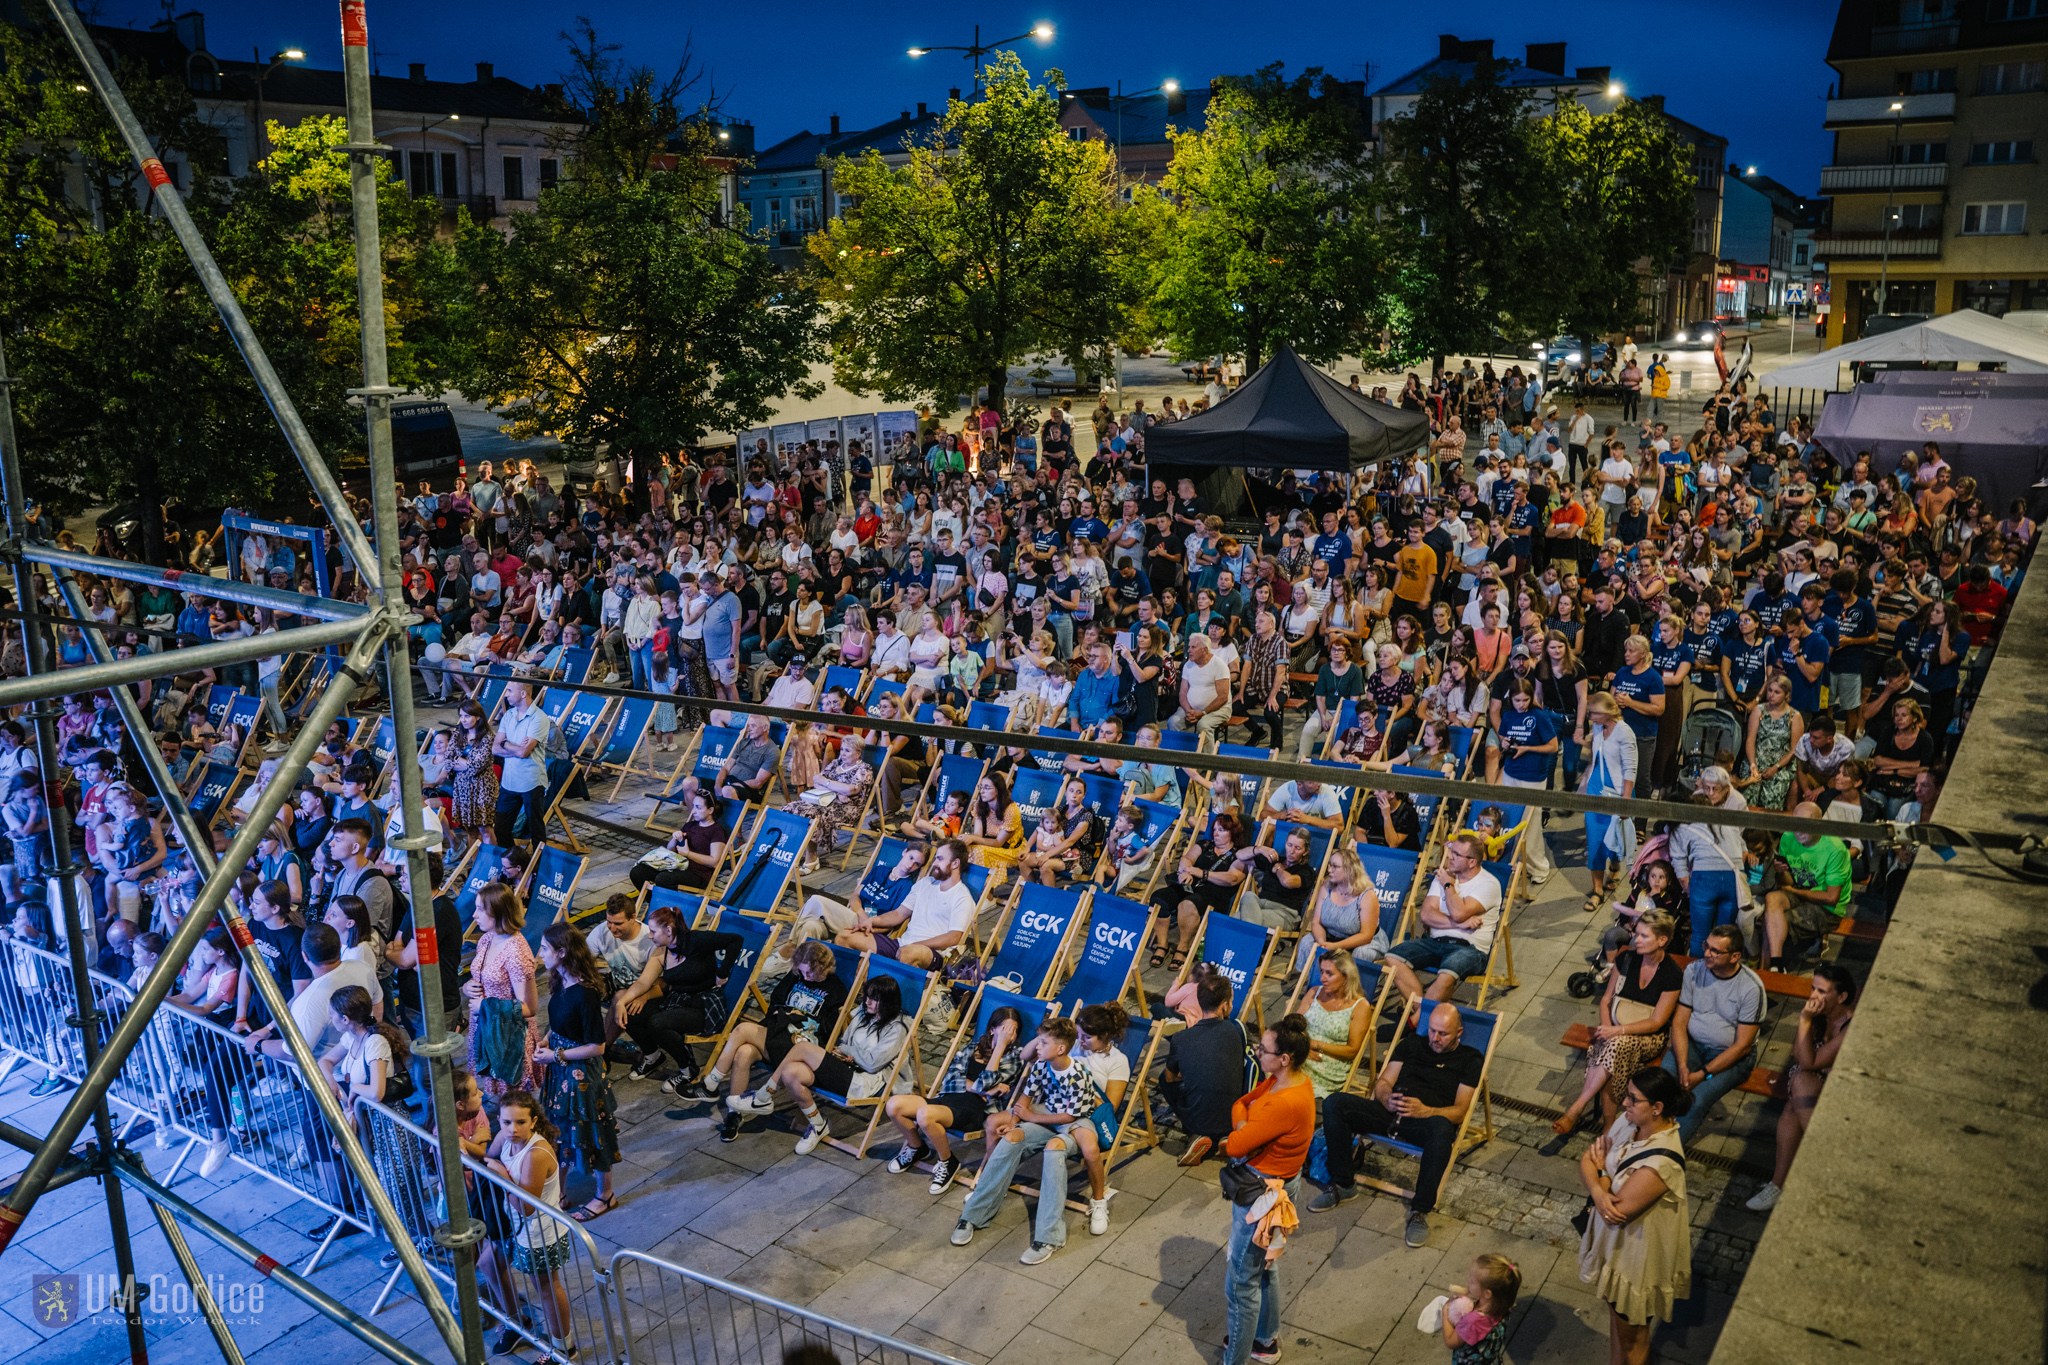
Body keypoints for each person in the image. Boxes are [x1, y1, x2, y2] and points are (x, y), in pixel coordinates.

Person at [1314, 1001, 1482, 1249]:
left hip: (1425, 1123)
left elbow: (1460, 1111)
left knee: (1443, 1132)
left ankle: (1420, 1211)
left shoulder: (1470, 1059)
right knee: (1334, 1104)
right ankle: (1343, 1184)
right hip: (1389, 1113)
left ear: (1459, 1032)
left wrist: (1427, 1112)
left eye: (1443, 1033)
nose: (1435, 1038)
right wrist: (1386, 1098)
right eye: (1432, 1030)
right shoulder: (1413, 1044)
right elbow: (1384, 1082)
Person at [951, 1016, 1101, 1264]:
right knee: (1012, 1137)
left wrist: (1030, 1117)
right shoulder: (1042, 1065)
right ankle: (974, 1214)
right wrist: (1015, 1120)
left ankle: (1049, 1236)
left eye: (1042, 1043)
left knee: (1054, 1150)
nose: (1037, 1047)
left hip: (1073, 1125)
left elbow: (1070, 1116)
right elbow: (1026, 1098)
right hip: (1046, 1116)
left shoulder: (1078, 1074)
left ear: (1060, 1049)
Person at [1577, 1068, 1693, 1365]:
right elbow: (1589, 1158)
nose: (1624, 1103)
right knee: (1618, 1323)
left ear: (1657, 1108)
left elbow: (1618, 1213)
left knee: (1634, 1337)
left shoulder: (1661, 1163)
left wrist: (1601, 1177)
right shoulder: (1628, 1123)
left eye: (1632, 1098)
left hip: (1636, 1258)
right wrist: (1601, 1188)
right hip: (1617, 1248)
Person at [1219, 1015, 1317, 1365]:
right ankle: (1265, 1341)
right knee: (1265, 1266)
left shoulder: (1283, 1101)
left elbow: (1234, 1145)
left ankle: (1236, 1359)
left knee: (1241, 1284)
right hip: (1275, 1187)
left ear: (1284, 1057)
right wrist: (1245, 1127)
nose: (1258, 1053)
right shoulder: (1288, 1082)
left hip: (1261, 1194)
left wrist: (1243, 1130)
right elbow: (1241, 1104)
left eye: (1264, 1049)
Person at [736, 973, 912, 1155]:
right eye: (867, 996)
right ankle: (818, 1125)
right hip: (845, 1068)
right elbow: (845, 1043)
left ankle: (764, 1095)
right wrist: (843, 1052)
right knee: (791, 1072)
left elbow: (873, 1063)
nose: (867, 1002)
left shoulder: (897, 1029)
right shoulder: (863, 1014)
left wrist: (849, 1052)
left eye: (874, 999)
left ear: (888, 1002)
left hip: (865, 1082)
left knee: (803, 1047)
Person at [1548, 913, 1682, 1146]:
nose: (1635, 939)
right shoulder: (1627, 960)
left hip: (1647, 1036)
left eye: (1643, 935)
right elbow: (1606, 1000)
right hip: (1615, 1032)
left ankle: (1578, 1107)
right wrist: (1607, 1026)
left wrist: (1616, 1033)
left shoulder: (1671, 974)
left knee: (1614, 1046)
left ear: (1662, 940)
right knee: (1615, 1053)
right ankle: (1608, 1128)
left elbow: (1657, 1022)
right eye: (1635, 934)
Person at [695, 941, 848, 1142]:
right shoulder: (795, 976)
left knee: (742, 1029)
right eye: (803, 972)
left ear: (824, 968)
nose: (806, 977)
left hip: (800, 1046)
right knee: (744, 1053)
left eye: (811, 973)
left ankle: (711, 1083)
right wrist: (788, 1014)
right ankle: (734, 1114)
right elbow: (775, 1002)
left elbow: (827, 1030)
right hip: (778, 1036)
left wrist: (794, 1015)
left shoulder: (836, 990)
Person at [1746, 964, 1857, 1212]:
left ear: (1842, 997)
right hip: (1811, 1084)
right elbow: (1799, 1055)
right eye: (1813, 988)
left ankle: (1816, 1159)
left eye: (1822, 991)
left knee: (1798, 1088)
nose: (1814, 996)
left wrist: (1804, 1020)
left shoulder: (1851, 1024)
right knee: (1793, 1101)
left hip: (1841, 1091)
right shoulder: (1818, 1017)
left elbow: (1810, 1062)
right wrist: (1807, 1022)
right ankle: (1781, 1184)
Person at [883, 1004, 1026, 1194]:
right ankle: (917, 1147)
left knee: (925, 1115)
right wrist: (981, 1089)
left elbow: (985, 1082)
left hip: (974, 1110)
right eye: (1005, 1029)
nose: (1009, 1034)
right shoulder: (972, 1048)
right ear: (992, 1029)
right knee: (894, 1105)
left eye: (1014, 1031)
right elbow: (951, 1078)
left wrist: (999, 1047)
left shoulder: (1014, 1059)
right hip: (948, 1099)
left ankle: (947, 1162)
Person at [615, 906, 743, 1087]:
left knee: (657, 1023)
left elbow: (736, 940)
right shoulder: (662, 951)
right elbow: (643, 983)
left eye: (653, 931)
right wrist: (622, 1001)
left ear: (668, 930)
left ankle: (688, 1069)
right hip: (678, 1000)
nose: (650, 936)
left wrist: (722, 972)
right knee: (631, 1013)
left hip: (704, 1005)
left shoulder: (697, 940)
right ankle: (653, 1056)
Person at [1660, 924, 1766, 1143]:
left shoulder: (1750, 988)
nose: (1707, 953)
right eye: (1707, 946)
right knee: (1660, 1085)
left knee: (1696, 1100)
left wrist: (1702, 1074)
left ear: (1735, 956)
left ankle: (1665, 1156)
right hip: (1693, 1047)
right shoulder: (1693, 971)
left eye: (1715, 951)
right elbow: (1679, 1023)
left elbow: (1743, 1046)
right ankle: (1644, 1142)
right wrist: (1682, 1065)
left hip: (1731, 1058)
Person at [1385, 836, 1503, 1005]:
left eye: (1456, 854)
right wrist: (1460, 924)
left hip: (1470, 949)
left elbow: (1459, 912)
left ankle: (1418, 1021)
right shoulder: (1444, 876)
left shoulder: (1489, 884)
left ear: (1472, 862)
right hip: (1435, 942)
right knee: (1393, 957)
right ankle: (1420, 1013)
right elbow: (1426, 914)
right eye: (1451, 851)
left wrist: (1449, 886)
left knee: (1447, 972)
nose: (1450, 856)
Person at [829, 837, 976, 969]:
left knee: (909, 952)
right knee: (845, 936)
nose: (934, 863)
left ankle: (872, 985)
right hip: (901, 944)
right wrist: (871, 921)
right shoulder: (925, 883)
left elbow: (954, 937)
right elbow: (899, 914)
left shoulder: (962, 898)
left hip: (931, 953)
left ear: (955, 863)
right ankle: (853, 988)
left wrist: (919, 944)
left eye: (940, 859)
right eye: (935, 858)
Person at [1160, 972, 1249, 1165]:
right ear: (1225, 1005)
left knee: (1162, 1079)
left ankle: (1195, 1133)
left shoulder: (1180, 1038)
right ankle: (1226, 1136)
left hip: (1199, 1120)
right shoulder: (1237, 1031)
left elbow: (1169, 1078)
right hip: (1234, 1115)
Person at [1763, 804, 1852, 968]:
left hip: (1827, 908)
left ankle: (1770, 972)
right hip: (1799, 892)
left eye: (1805, 826)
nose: (1799, 832)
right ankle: (1775, 965)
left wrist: (1792, 890)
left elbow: (1831, 898)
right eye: (1796, 825)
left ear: (1818, 824)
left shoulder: (1835, 849)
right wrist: (1781, 872)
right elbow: (1786, 883)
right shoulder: (1788, 837)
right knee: (1771, 900)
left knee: (1775, 923)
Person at [1421, 1252, 1520, 1365]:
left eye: (1472, 1281)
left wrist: (1445, 1309)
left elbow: (1450, 1342)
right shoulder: (1502, 1305)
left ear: (1487, 1294)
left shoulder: (1471, 1322)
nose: (1467, 1280)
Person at [1298, 950, 1369, 1099]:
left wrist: (1315, 1045)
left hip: (1327, 1068)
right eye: (1321, 971)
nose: (1322, 978)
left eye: (1329, 973)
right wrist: (1303, 1049)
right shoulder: (1314, 992)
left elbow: (1352, 1051)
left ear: (1346, 976)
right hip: (1300, 1053)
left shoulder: (1360, 1006)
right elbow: (1294, 1027)